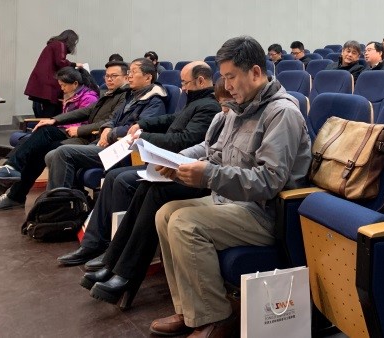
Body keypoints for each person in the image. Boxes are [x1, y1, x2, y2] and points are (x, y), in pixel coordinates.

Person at [92, 36, 311, 338]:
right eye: (224, 77)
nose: (226, 85)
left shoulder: (282, 113)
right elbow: (215, 153)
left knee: (185, 222)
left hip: (264, 213)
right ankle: (189, 310)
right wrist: (175, 163)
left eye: (231, 77)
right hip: (231, 202)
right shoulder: (239, 109)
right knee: (165, 213)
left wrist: (208, 175)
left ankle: (215, 317)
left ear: (255, 72)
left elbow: (268, 181)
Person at [58, 62, 220, 267]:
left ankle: (114, 248)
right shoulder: (194, 102)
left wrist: (144, 137)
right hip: (167, 159)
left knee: (123, 180)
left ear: (201, 81)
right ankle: (93, 242)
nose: (183, 88)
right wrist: (142, 124)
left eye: (185, 83)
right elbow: (172, 118)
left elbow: (186, 140)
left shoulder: (208, 106)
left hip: (178, 164)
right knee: (113, 176)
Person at [43, 58, 167, 192]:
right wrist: (107, 127)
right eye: (129, 72)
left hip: (123, 150)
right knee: (51, 155)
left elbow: (139, 129)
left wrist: (110, 134)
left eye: (134, 72)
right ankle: (74, 197)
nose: (129, 76)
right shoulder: (132, 96)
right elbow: (113, 118)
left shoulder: (155, 102)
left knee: (63, 152)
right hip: (109, 144)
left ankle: (59, 200)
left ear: (148, 77)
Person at [0, 66, 101, 210]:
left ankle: (12, 180)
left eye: (64, 85)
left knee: (44, 133)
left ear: (75, 84)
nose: (62, 88)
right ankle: (13, 185)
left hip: (79, 136)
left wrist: (59, 124)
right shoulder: (72, 94)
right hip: (66, 132)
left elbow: (85, 121)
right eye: (60, 85)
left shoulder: (89, 97)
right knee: (36, 147)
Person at [24, 29, 83, 117]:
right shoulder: (60, 45)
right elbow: (60, 62)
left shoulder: (53, 44)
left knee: (47, 108)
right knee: (52, 109)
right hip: (48, 81)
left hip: (41, 80)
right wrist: (74, 65)